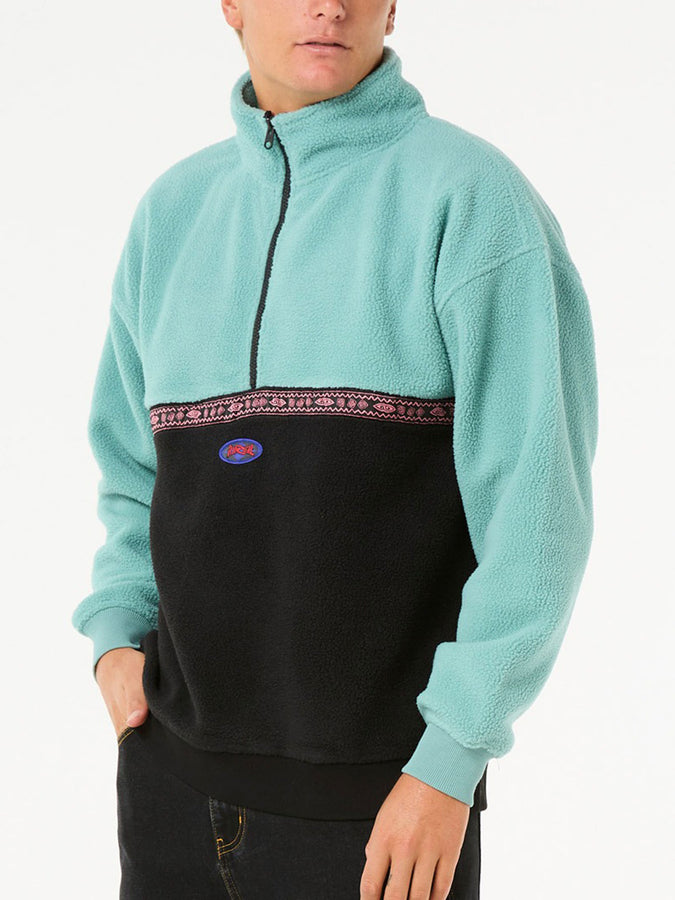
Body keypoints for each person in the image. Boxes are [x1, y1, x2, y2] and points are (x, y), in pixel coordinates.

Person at [71, 1, 599, 898]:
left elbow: (535, 514)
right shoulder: (173, 211)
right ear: (231, 4)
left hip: (382, 807)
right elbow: (132, 465)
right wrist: (116, 631)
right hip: (168, 785)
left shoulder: (472, 202)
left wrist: (450, 761)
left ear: (393, 7)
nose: (329, 5)